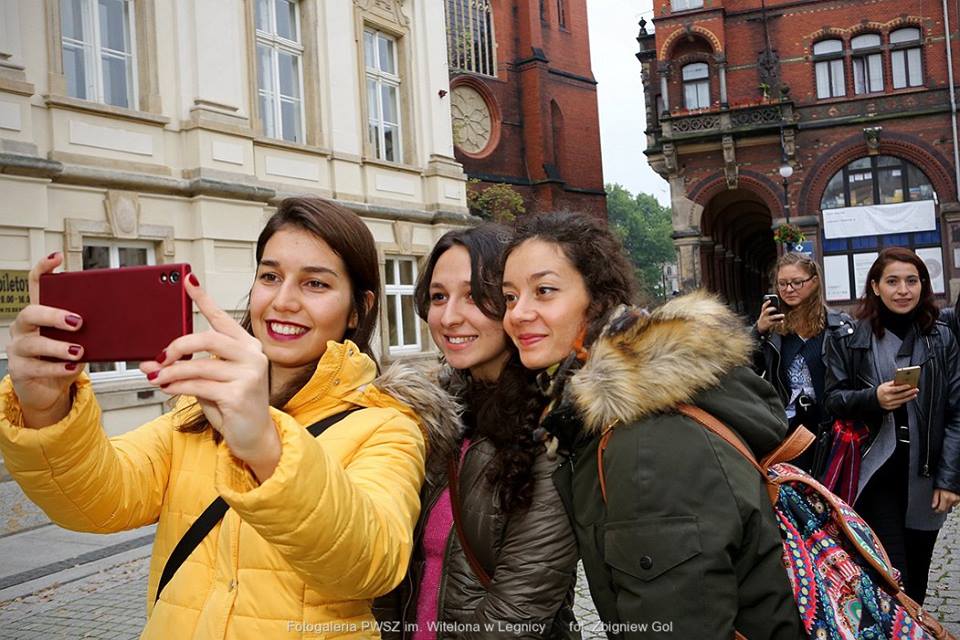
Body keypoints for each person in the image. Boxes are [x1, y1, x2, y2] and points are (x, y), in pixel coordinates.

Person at [0, 197, 458, 639]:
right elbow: (98, 503)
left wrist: (265, 445)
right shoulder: (200, 408)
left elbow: (370, 565)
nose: (283, 301)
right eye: (270, 276)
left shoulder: (387, 421)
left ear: (359, 308)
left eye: (315, 284)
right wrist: (45, 408)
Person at [500, 211, 802, 639]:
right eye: (510, 297)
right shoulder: (619, 412)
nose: (517, 314)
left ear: (597, 299)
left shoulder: (644, 441)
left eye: (544, 291)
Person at [374, 225, 579, 639]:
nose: (449, 317)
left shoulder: (549, 429)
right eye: (438, 297)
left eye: (472, 296)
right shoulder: (430, 418)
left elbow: (517, 613)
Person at [824, 246, 960, 604]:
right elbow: (833, 399)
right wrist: (874, 398)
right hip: (874, 473)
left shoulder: (941, 336)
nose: (903, 290)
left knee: (917, 580)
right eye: (893, 281)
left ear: (923, 285)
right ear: (875, 286)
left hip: (924, 474)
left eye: (912, 281)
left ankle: (911, 627)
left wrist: (950, 479)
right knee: (891, 577)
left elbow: (956, 412)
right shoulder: (850, 338)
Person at [752, 252, 853, 474]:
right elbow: (747, 367)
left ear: (814, 282)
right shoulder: (773, 330)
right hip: (787, 431)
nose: (789, 289)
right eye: (782, 284)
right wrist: (758, 331)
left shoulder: (838, 327)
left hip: (830, 428)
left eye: (797, 282)